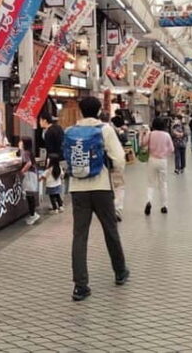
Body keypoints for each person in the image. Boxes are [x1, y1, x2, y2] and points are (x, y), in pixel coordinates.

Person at [63, 96, 128, 302]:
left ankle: (80, 286)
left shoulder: (70, 131)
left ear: (80, 111)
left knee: (79, 236)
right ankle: (120, 272)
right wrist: (114, 172)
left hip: (77, 189)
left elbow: (67, 159)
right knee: (110, 230)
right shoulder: (105, 130)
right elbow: (119, 159)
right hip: (101, 187)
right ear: (100, 110)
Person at [142, 117, 173, 215]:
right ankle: (164, 206)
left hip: (152, 159)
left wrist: (143, 134)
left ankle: (149, 201)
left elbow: (142, 144)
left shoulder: (151, 134)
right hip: (162, 161)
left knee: (150, 183)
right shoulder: (166, 135)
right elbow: (171, 149)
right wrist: (164, 154)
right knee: (163, 184)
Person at [39, 111, 66, 194]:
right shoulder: (59, 128)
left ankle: (56, 203)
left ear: (45, 121)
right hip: (63, 158)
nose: (39, 123)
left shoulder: (48, 133)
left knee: (53, 181)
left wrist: (48, 162)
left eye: (40, 120)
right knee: (60, 181)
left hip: (54, 160)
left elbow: (49, 149)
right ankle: (61, 202)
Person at [109, 116, 128, 221]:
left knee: (109, 186)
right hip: (116, 162)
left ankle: (109, 209)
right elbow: (125, 140)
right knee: (119, 186)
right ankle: (117, 210)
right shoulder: (117, 131)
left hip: (104, 164)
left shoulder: (102, 129)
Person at [18, 138, 40, 225]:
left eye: (21, 142)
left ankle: (33, 215)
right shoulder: (28, 152)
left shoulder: (25, 153)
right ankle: (33, 214)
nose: (19, 143)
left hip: (29, 175)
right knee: (30, 195)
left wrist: (22, 171)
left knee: (29, 195)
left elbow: (29, 163)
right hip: (32, 174)